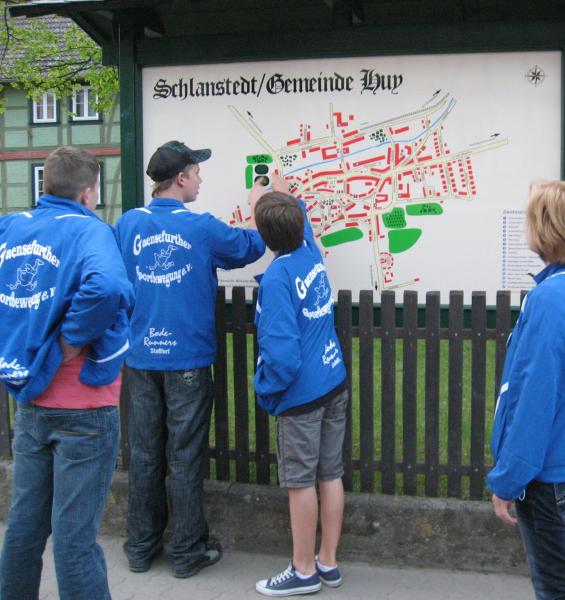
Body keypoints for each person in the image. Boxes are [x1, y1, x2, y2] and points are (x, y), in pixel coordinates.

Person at [114, 140, 266, 578]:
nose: (200, 178)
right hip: (187, 360)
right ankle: (186, 551)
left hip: (141, 358)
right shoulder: (200, 227)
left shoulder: (129, 224)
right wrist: (259, 203)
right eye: (196, 172)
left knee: (145, 455)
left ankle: (140, 548)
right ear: (180, 178)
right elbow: (251, 246)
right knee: (183, 457)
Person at [0, 146, 133, 599]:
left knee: (24, 527)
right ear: (88, 192)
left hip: (30, 399)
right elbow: (108, 286)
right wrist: (67, 342)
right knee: (74, 539)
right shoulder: (89, 230)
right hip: (84, 409)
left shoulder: (13, 226)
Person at [488, 180, 565, 599]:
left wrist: (509, 478)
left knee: (556, 585)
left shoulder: (552, 298)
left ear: (546, 229)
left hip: (546, 472)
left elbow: (535, 396)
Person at [248, 176, 348, 597]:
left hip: (301, 396)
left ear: (264, 235)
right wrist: (282, 196)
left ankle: (303, 571)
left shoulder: (277, 278)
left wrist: (267, 391)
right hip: (333, 381)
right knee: (331, 473)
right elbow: (301, 219)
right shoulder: (309, 253)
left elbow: (282, 356)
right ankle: (328, 561)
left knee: (300, 481)